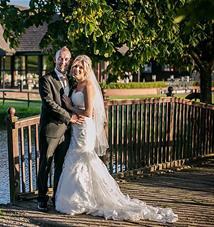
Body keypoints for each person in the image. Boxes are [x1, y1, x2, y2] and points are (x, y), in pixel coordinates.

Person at [55, 55, 178, 223]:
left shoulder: (89, 86)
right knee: (74, 160)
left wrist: (70, 107)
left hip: (84, 128)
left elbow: (89, 113)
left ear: (86, 70)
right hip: (76, 128)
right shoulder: (76, 85)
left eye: (80, 68)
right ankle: (79, 198)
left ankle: (82, 199)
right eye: (75, 67)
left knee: (83, 160)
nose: (76, 69)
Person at [37, 46, 84, 211]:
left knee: (61, 166)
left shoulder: (71, 80)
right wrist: (69, 117)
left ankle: (57, 197)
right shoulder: (46, 79)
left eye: (66, 59)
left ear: (69, 60)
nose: (63, 62)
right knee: (45, 164)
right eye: (60, 58)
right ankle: (42, 198)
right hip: (50, 130)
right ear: (54, 59)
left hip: (67, 131)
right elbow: (49, 104)